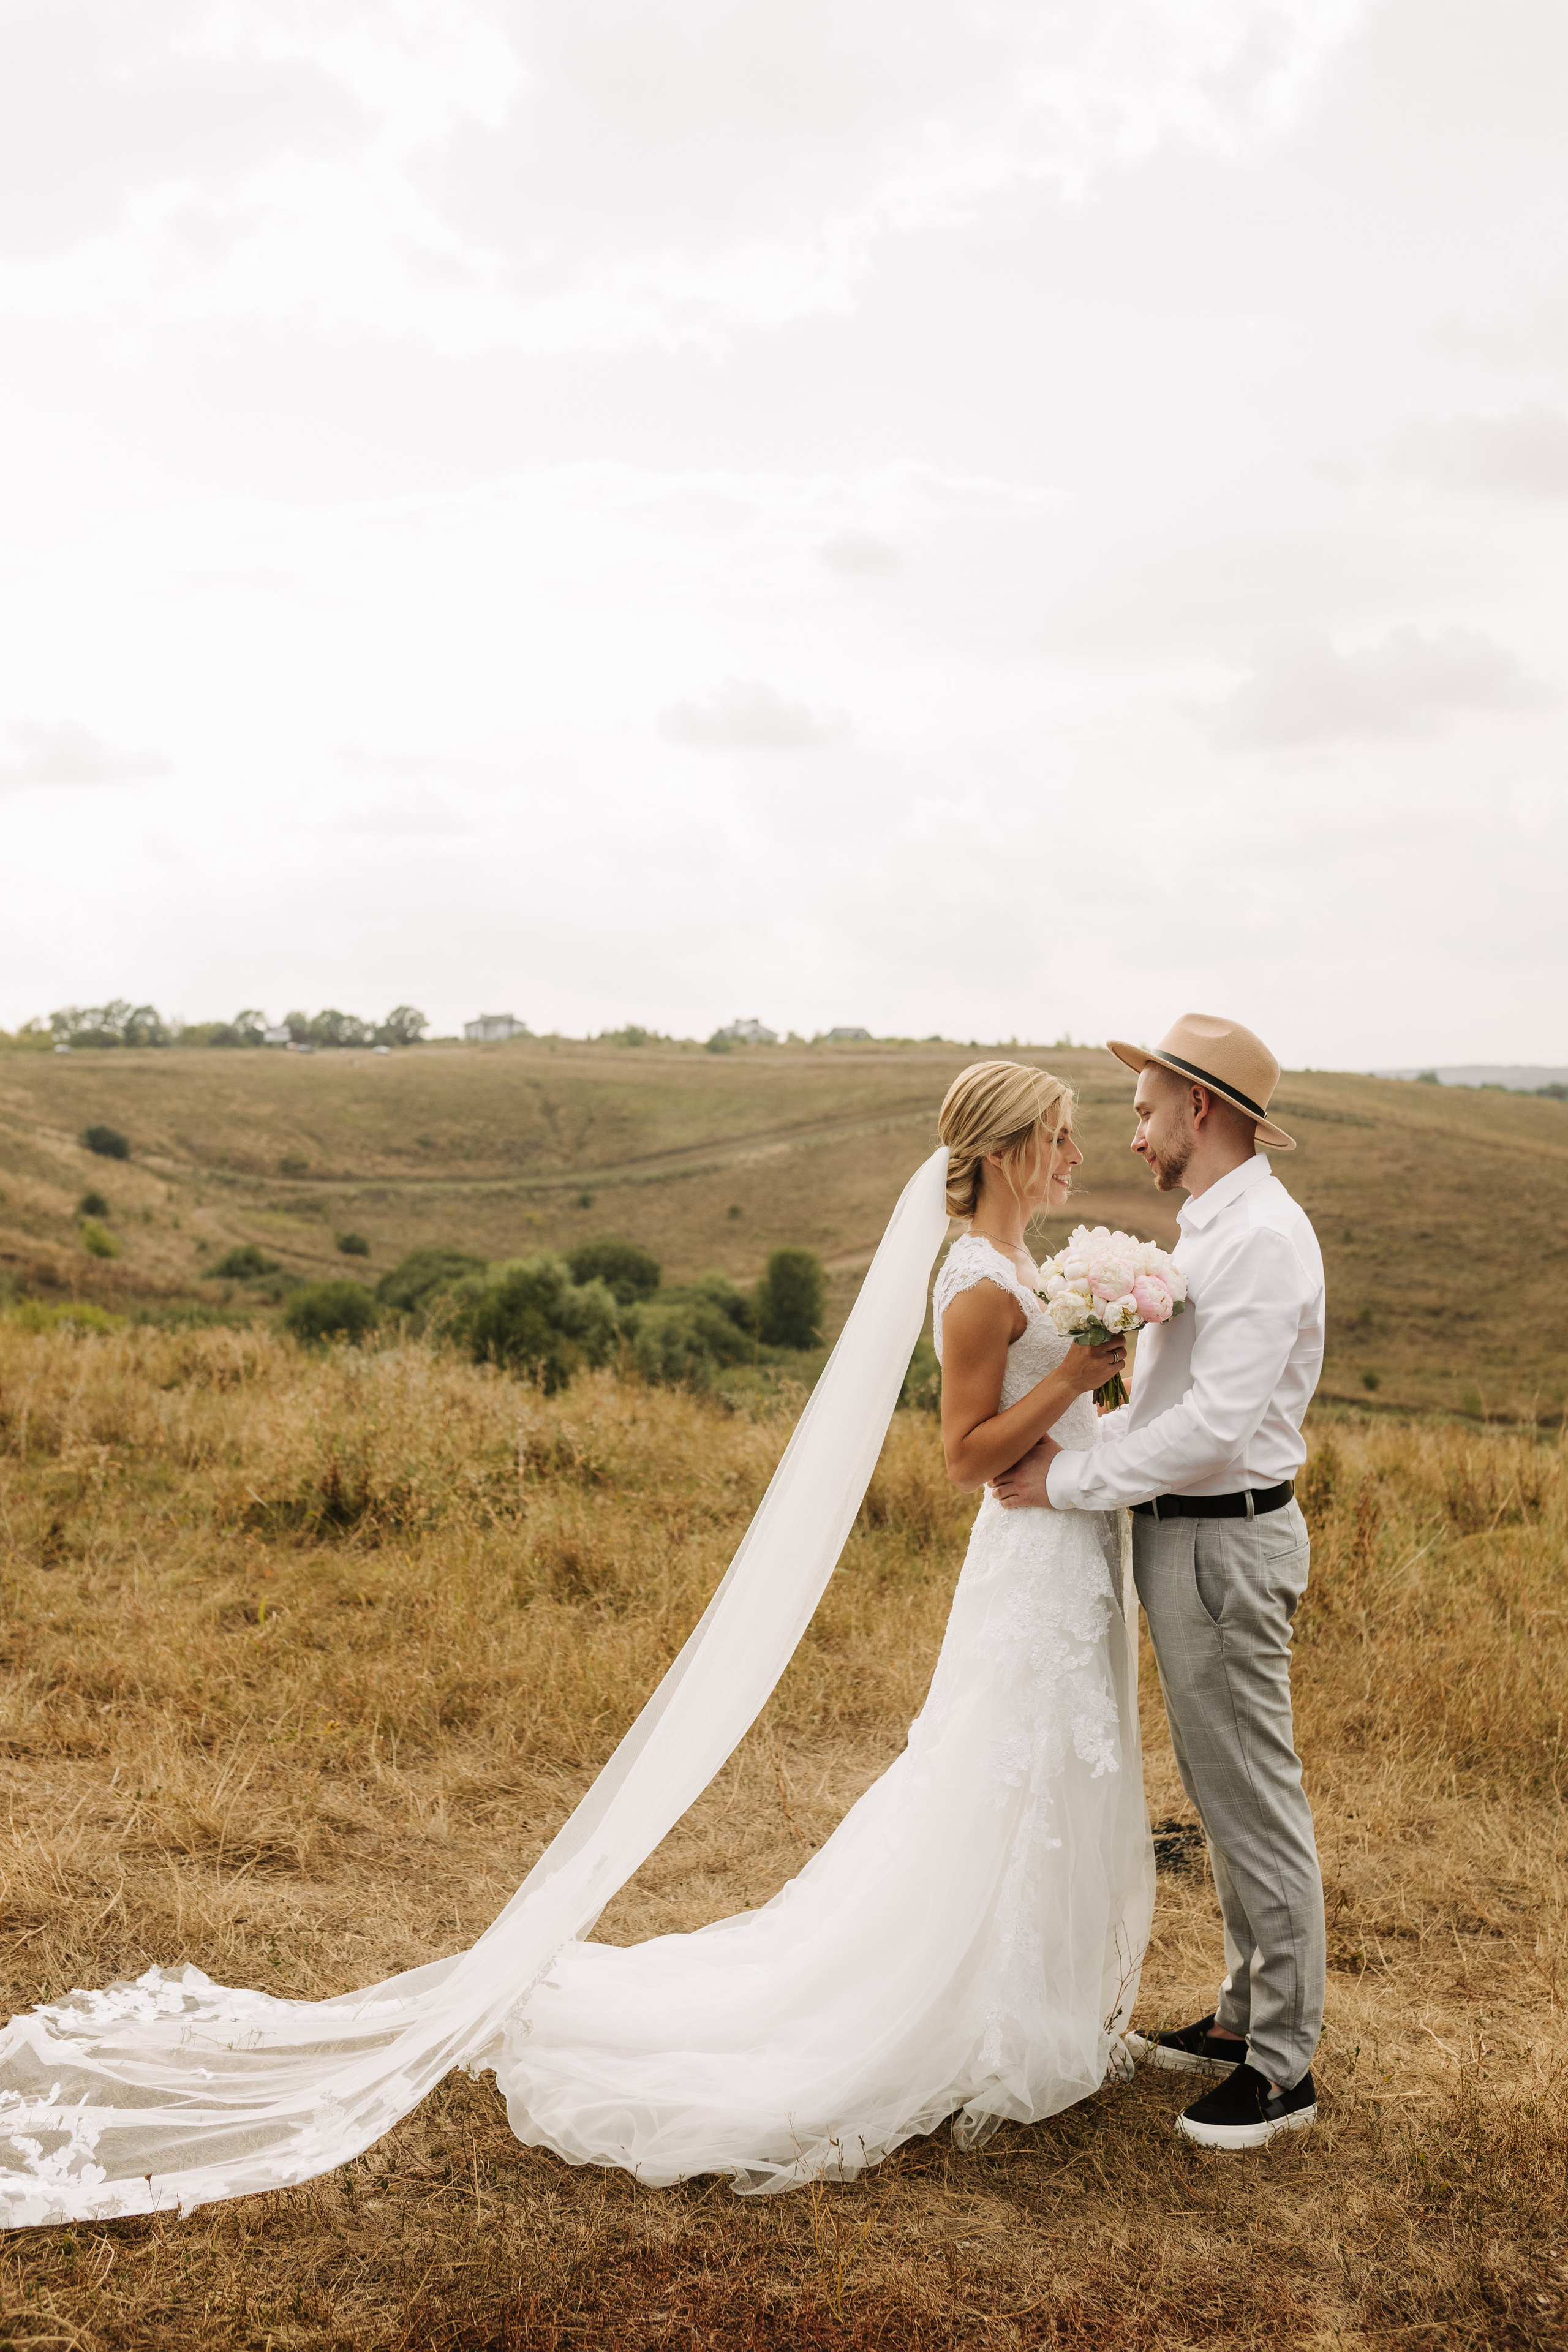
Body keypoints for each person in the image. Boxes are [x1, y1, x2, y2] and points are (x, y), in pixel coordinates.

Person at [0, 1062, 1151, 2221]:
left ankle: (1029, 2001)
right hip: (1023, 1568)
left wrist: (1100, 1388)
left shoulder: (1017, 1270)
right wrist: (1072, 1372)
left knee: (1042, 1770)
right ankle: (964, 2013)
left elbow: (1034, 1431)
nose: (1077, 1155)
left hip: (1059, 1558)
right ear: (1006, 1150)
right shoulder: (976, 1284)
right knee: (994, 1771)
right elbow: (964, 1459)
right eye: (1061, 1134)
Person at [994, 1014, 1327, 2152]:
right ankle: (1241, 2021)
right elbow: (1169, 1406)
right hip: (1189, 1539)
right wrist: (1083, 1451)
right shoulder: (1213, 1230)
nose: (1133, 1134)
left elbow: (1217, 1428)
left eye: (1143, 1110)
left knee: (1254, 1797)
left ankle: (1282, 2065)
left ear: (1203, 1108)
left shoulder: (1263, 1241)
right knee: (1223, 1785)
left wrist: (1069, 1482)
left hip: (1226, 1538)